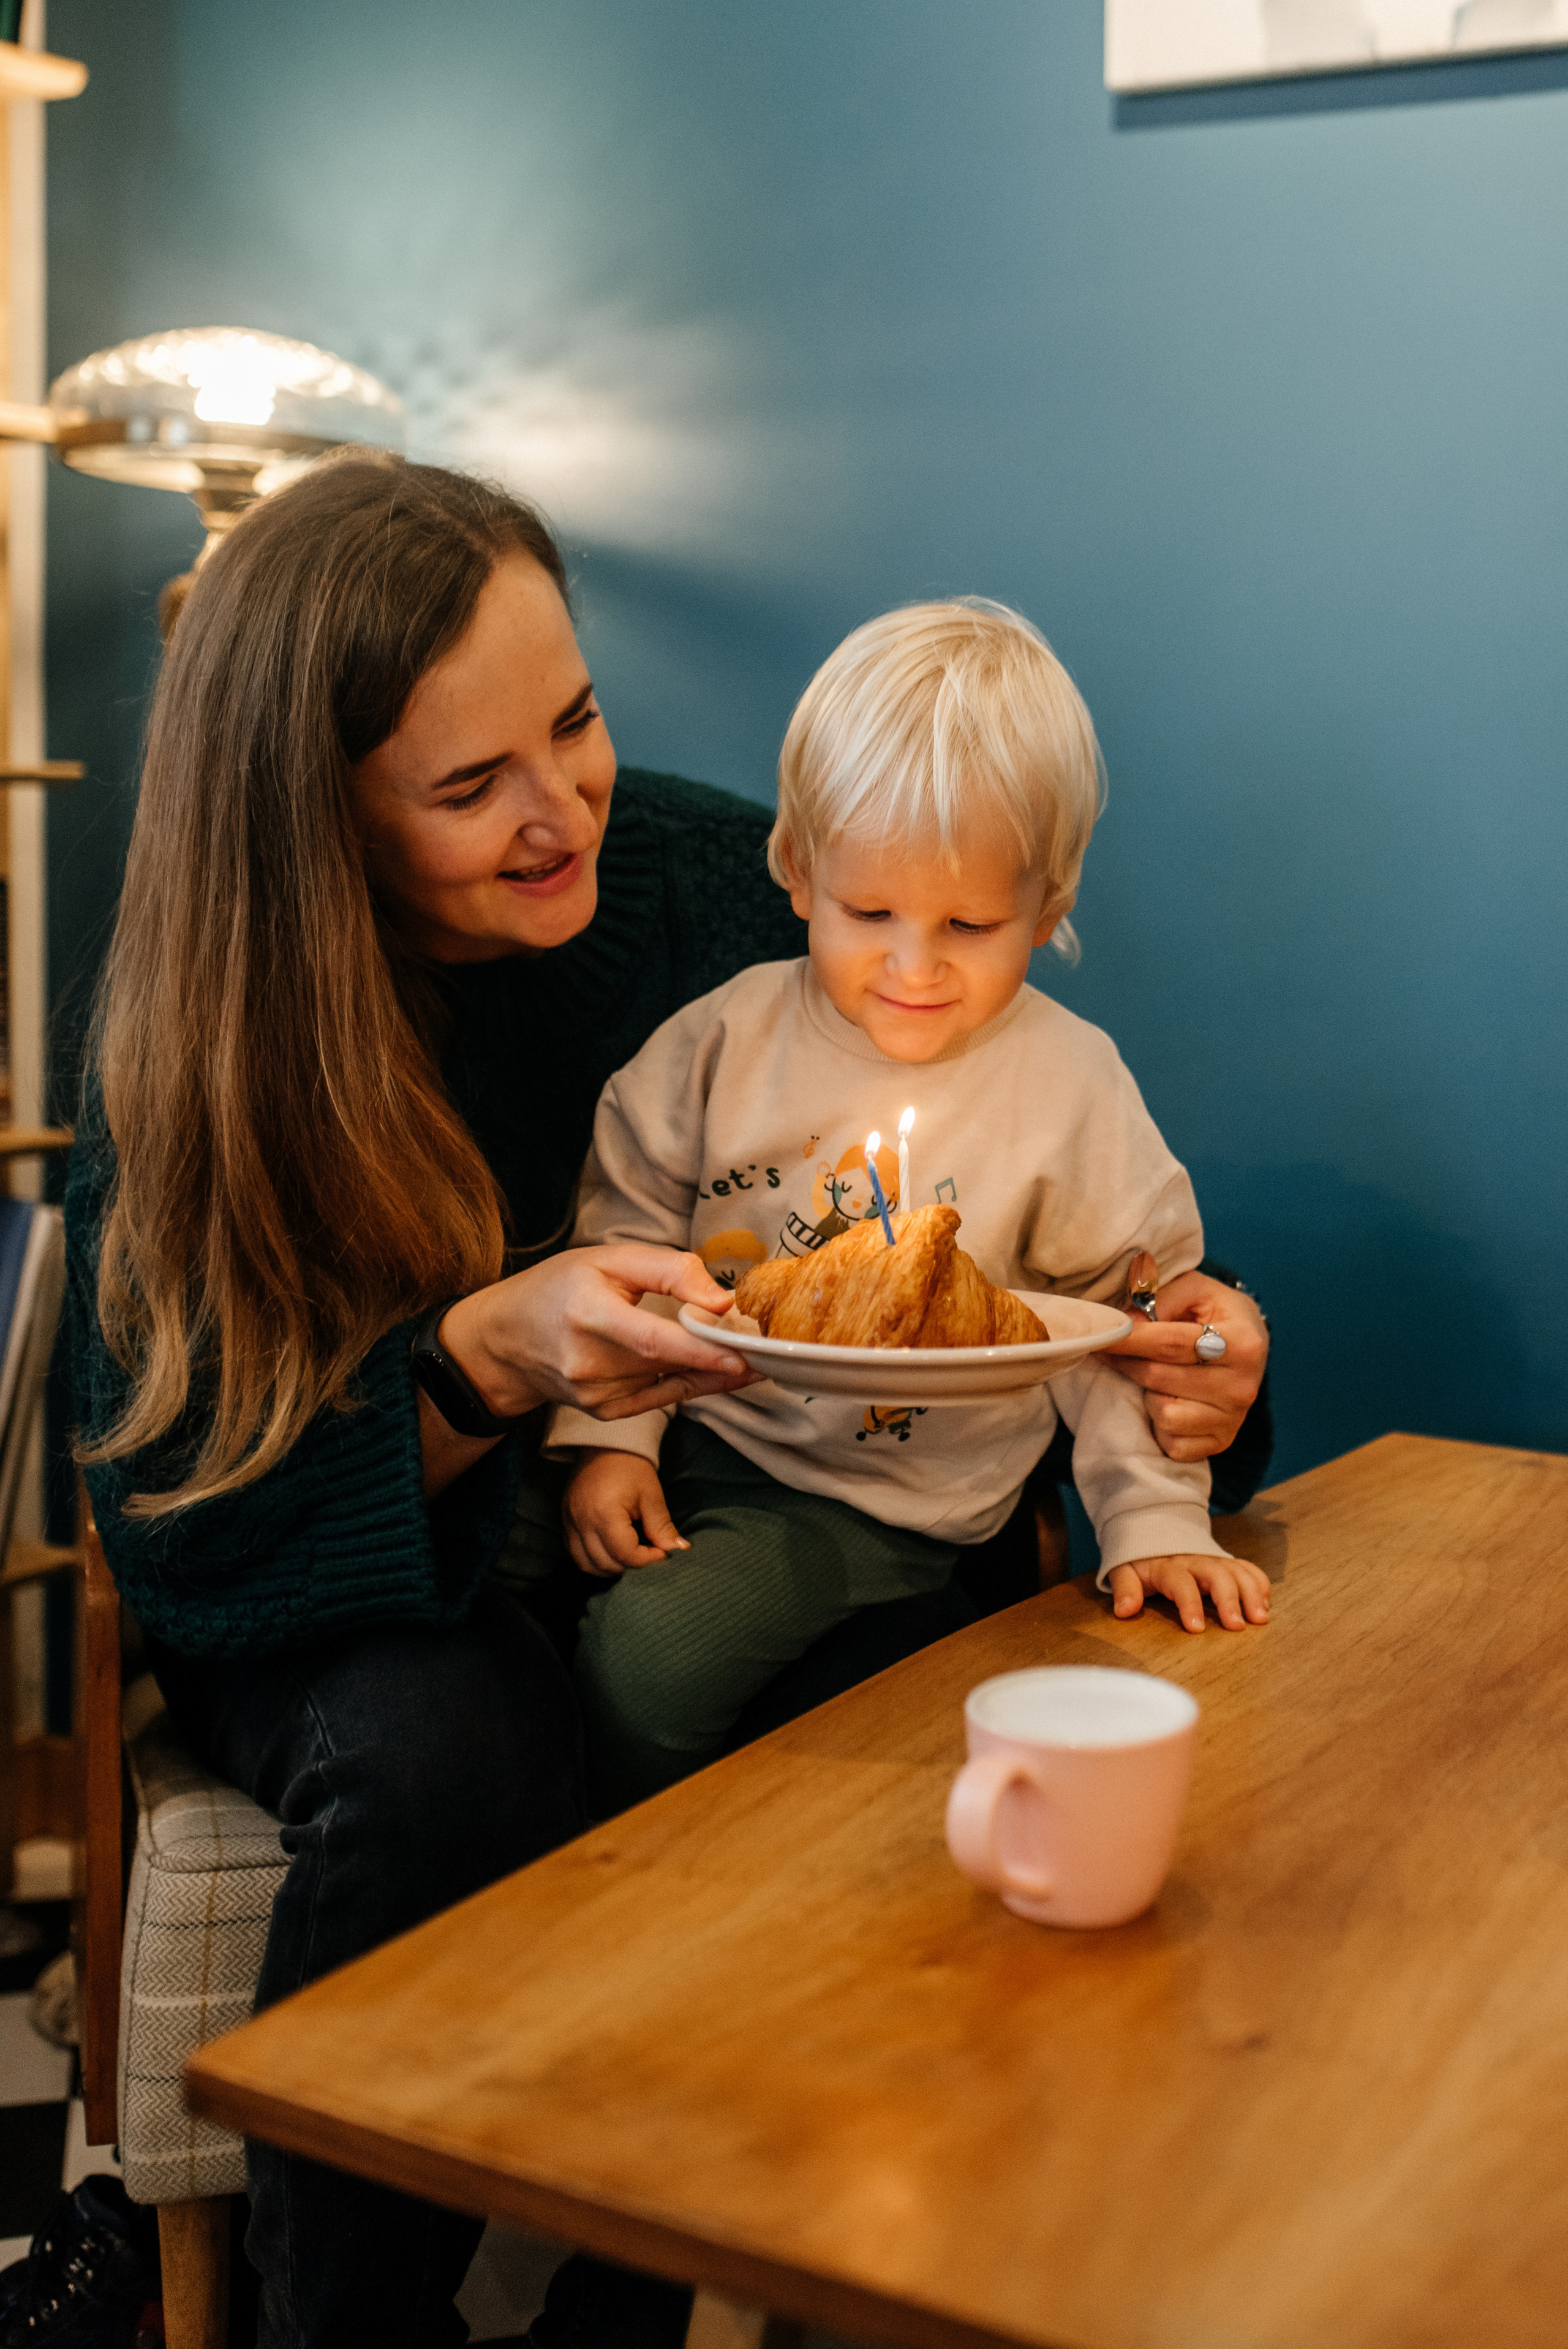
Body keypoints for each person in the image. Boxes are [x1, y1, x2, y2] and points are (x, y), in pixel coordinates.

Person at [64, 456, 1268, 2347]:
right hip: (351, 1579)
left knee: (846, 1718)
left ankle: (725, 2275)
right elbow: (190, 1535)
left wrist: (1207, 1388)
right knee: (451, 1748)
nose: (565, 816)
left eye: (580, 721)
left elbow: (1060, 1285)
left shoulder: (752, 885)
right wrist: (498, 1364)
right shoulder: (210, 1048)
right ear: (318, 819)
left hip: (768, 1518)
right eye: (471, 789)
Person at [513, 600, 1270, 1811]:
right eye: (871, 914)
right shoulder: (717, 1045)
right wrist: (608, 1440)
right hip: (701, 1427)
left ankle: (628, 1886)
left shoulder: (1068, 1088)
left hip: (883, 1497)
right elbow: (625, 1242)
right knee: (493, 1577)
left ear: (1051, 900)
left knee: (652, 1660)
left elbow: (1130, 1332)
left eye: (968, 926)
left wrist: (1151, 1524)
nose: (914, 968)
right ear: (799, 872)